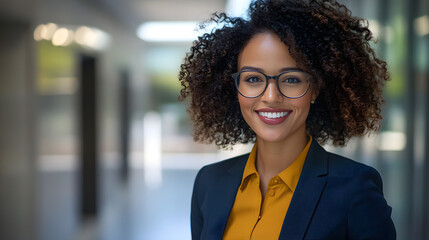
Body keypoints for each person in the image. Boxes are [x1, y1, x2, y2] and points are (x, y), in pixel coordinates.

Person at [179, 0, 396, 239]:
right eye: (253, 79)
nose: (271, 97)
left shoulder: (355, 188)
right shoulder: (209, 183)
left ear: (314, 89)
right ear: (235, 88)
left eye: (291, 79)